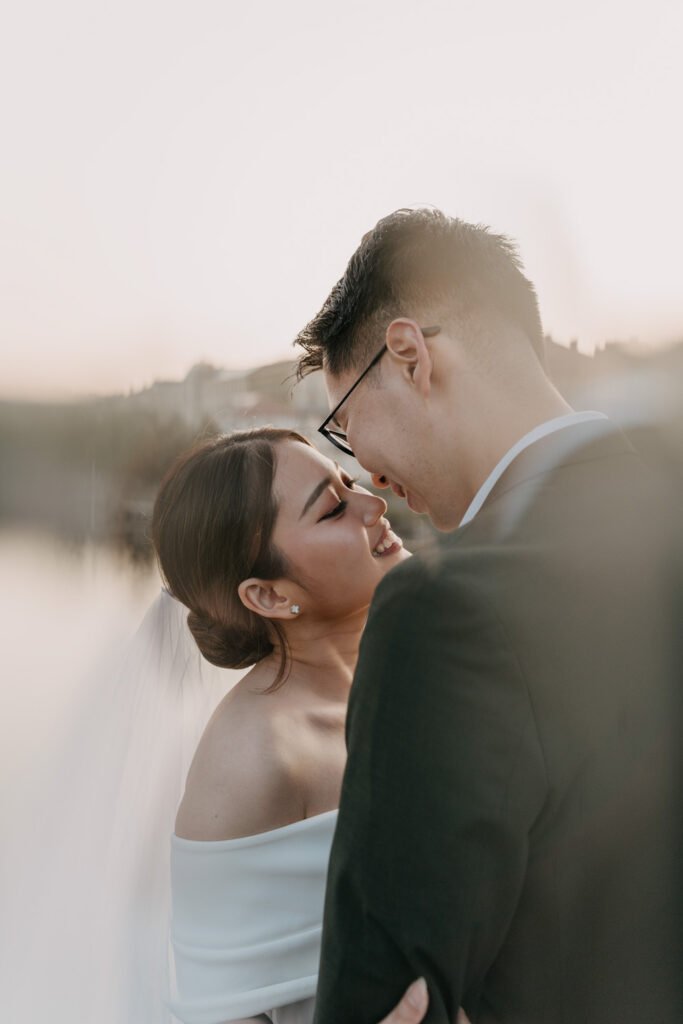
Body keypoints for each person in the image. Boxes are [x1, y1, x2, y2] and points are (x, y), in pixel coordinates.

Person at [294, 207, 683, 1023]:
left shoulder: (444, 612)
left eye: (344, 426)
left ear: (409, 356)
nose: (364, 470)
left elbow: (377, 994)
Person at [152, 427, 435, 1024]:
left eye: (349, 482)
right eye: (333, 508)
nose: (373, 505)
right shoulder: (252, 755)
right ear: (270, 597)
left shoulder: (420, 669)